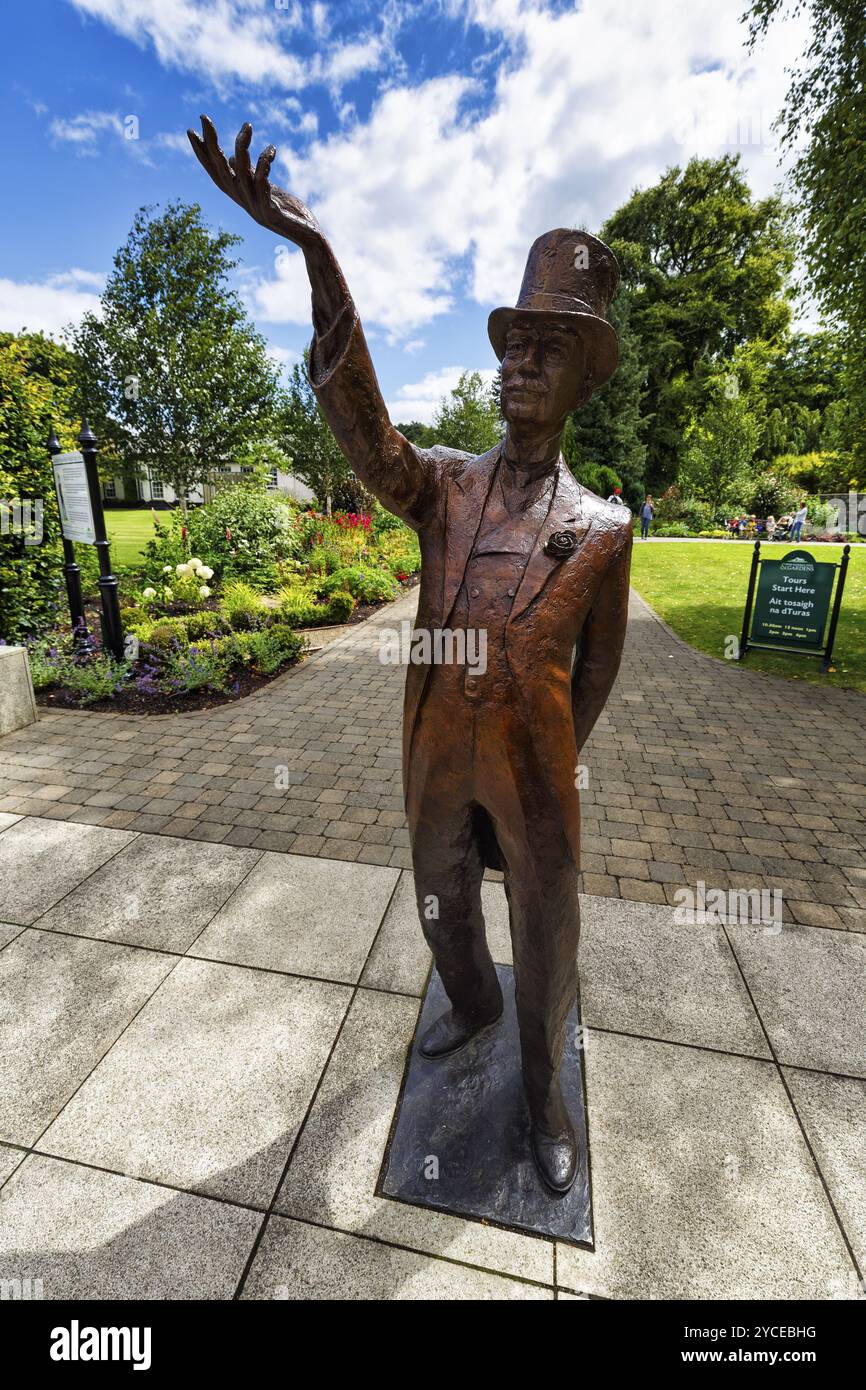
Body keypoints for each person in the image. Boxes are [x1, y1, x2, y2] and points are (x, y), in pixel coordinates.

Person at [189, 117, 631, 1195]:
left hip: (532, 761)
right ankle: (469, 1003)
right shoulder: (440, 486)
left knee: (547, 920)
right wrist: (316, 253)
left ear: (582, 379)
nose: (519, 365)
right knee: (440, 905)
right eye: (511, 346)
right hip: (434, 746)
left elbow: (604, 666)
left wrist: (546, 736)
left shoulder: (605, 527)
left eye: (548, 349)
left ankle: (540, 1094)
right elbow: (363, 431)